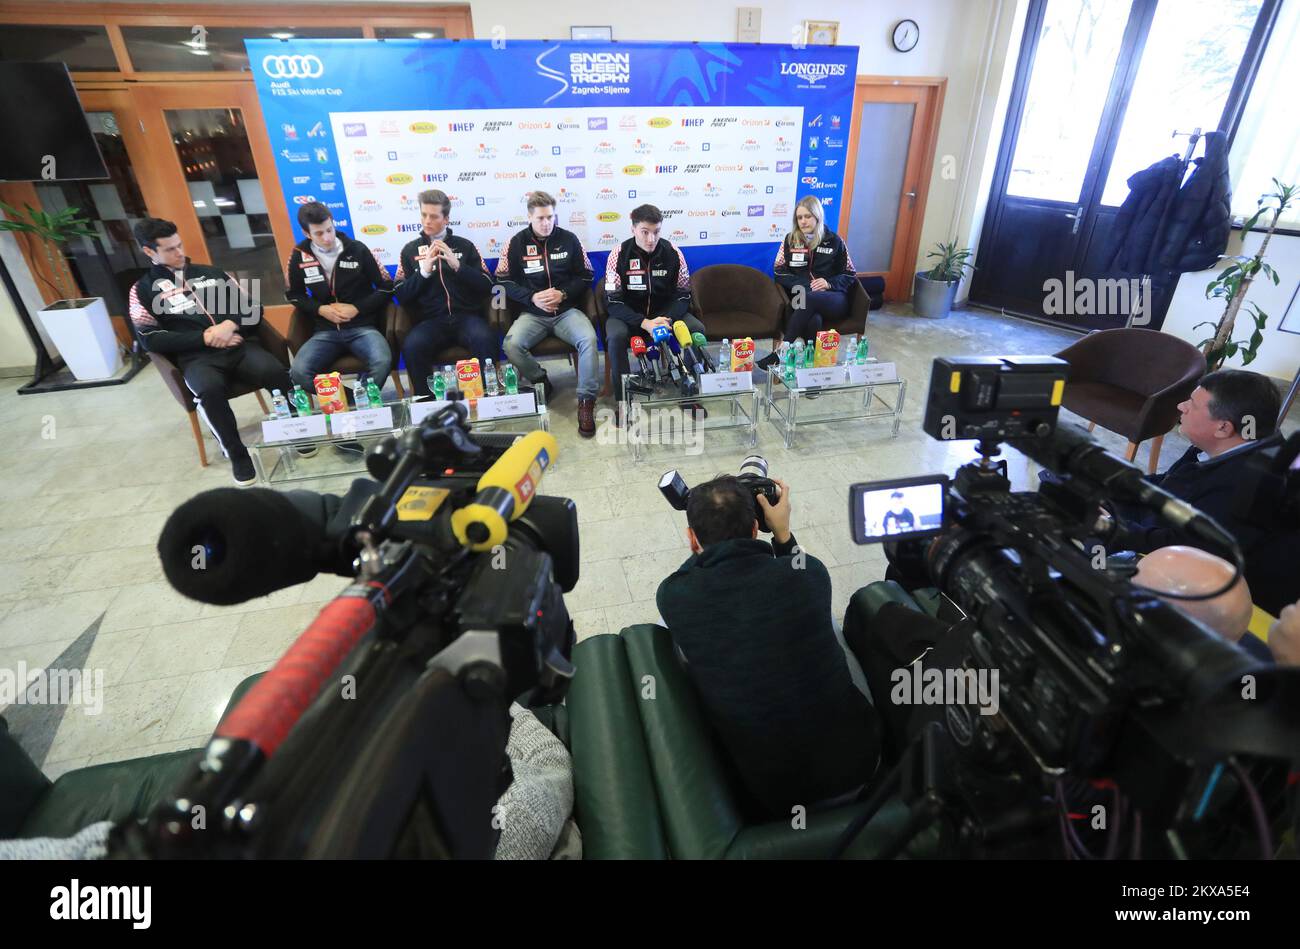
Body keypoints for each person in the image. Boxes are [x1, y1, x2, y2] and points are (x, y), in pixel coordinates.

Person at [655, 475, 881, 819]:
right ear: (755, 528)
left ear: (691, 539)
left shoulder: (674, 597)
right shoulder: (811, 576)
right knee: (830, 628)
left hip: (770, 794)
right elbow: (796, 562)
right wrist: (783, 533)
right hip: (861, 765)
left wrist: (702, 543)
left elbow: (688, 576)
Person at [128, 217, 305, 487]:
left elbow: (253, 309)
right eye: (170, 249)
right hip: (196, 358)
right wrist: (204, 338)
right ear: (149, 252)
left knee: (276, 372)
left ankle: (297, 430)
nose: (179, 253)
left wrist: (229, 325)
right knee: (208, 391)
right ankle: (236, 453)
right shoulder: (142, 290)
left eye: (180, 245)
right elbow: (150, 339)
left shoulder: (212, 273)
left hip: (239, 346)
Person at [1103, 369, 1296, 613]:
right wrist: (1110, 483)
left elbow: (1186, 547)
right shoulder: (1222, 444)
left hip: (1198, 575)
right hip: (1170, 523)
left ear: (1223, 428)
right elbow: (1170, 482)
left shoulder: (1245, 487)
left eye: (1192, 405)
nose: (1181, 406)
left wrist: (1109, 527)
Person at [496, 192, 600, 437]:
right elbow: (501, 283)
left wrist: (563, 293)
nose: (546, 223)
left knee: (589, 340)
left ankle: (586, 401)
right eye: (541, 218)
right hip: (533, 314)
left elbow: (586, 275)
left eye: (550, 217)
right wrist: (531, 297)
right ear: (530, 216)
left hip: (566, 312)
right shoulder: (515, 243)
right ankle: (541, 380)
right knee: (510, 345)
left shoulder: (570, 239)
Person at [604, 204, 706, 422]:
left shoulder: (673, 253)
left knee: (697, 328)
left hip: (665, 316)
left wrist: (667, 319)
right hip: (630, 317)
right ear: (633, 229)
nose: (651, 239)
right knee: (615, 336)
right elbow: (612, 301)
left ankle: (689, 394)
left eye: (656, 232)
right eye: (645, 232)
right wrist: (645, 323)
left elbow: (683, 294)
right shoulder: (618, 254)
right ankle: (624, 402)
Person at [285, 202, 394, 398]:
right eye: (319, 233)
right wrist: (320, 310)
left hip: (362, 327)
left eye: (329, 229)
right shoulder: (299, 256)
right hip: (325, 331)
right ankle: (350, 400)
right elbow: (294, 295)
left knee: (382, 361)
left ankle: (361, 398)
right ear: (306, 233)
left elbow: (386, 288)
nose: (327, 237)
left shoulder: (357, 249)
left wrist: (357, 308)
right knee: (299, 373)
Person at [394, 189, 496, 396]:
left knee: (484, 338)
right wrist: (423, 272)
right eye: (423, 215)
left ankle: (488, 399)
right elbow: (401, 295)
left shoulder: (465, 246)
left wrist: (459, 266)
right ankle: (426, 404)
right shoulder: (409, 250)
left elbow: (488, 285)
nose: (427, 221)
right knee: (413, 346)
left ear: (446, 219)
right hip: (431, 321)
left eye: (433, 216)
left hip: (466, 317)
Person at [773, 195, 858, 345]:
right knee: (814, 319)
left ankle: (781, 353)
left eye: (807, 216)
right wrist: (806, 286)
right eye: (799, 218)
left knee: (810, 299)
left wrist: (828, 283)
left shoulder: (835, 241)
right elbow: (779, 271)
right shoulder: (789, 240)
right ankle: (810, 362)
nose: (803, 221)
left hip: (833, 298)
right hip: (800, 294)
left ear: (817, 217)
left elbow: (850, 273)